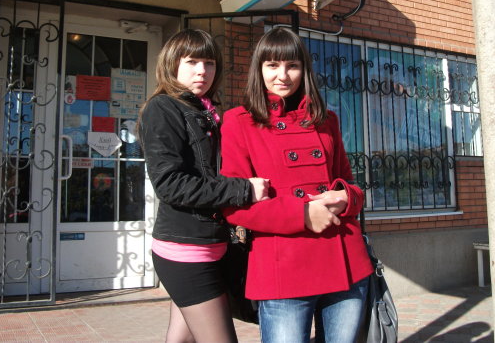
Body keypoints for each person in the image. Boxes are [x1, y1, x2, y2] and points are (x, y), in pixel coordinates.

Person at [221, 27, 374, 343]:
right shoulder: (239, 121)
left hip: (344, 258)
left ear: (304, 70)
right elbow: (234, 205)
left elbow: (350, 183)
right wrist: (302, 214)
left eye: (292, 65)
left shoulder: (326, 119)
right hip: (282, 267)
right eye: (272, 65)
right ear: (259, 69)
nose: (283, 75)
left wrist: (347, 198)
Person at [138, 28, 269, 343]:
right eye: (192, 62)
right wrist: (243, 190)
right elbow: (170, 184)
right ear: (172, 64)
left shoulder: (203, 109)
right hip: (186, 250)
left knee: (181, 338)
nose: (202, 71)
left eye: (209, 63)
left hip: (209, 244)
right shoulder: (163, 108)